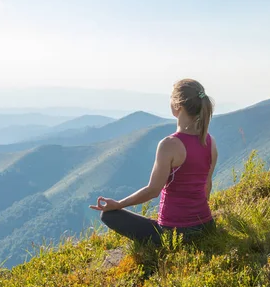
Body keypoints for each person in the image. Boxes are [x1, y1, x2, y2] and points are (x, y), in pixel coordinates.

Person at [90, 79, 217, 243]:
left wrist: (118, 204)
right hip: (206, 226)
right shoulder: (210, 142)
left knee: (108, 215)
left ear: (177, 106)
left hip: (173, 233)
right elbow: (207, 184)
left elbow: (152, 191)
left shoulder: (169, 144)